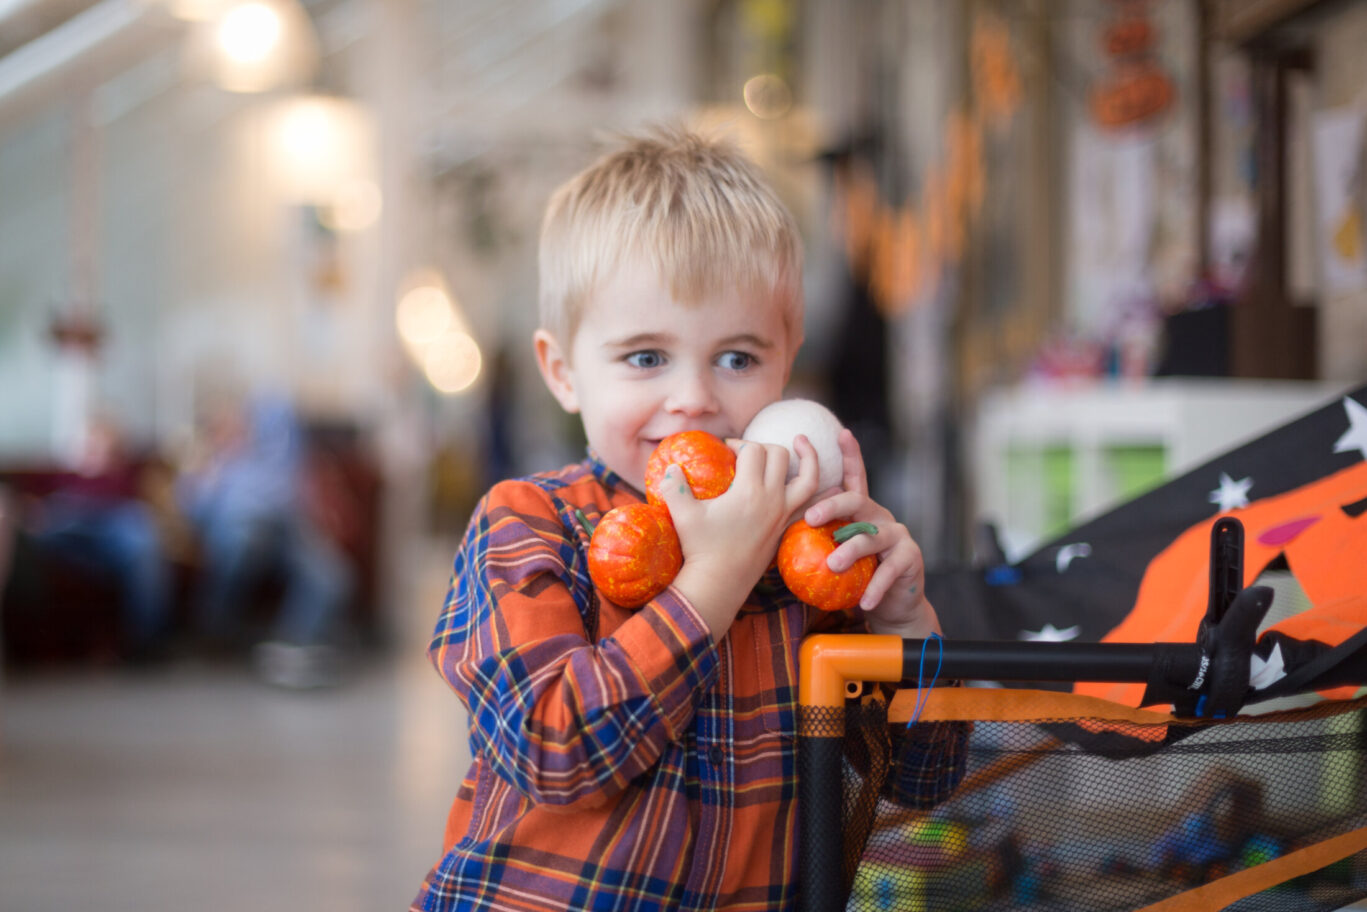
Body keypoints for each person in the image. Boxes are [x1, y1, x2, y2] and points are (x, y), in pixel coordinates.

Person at [411, 126, 964, 911]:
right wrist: (716, 577)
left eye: (737, 358)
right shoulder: (528, 524)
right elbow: (555, 752)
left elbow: (922, 779)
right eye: (645, 358)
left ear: (787, 361)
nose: (695, 398)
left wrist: (902, 625)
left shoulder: (802, 548)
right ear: (563, 372)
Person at [177, 393, 352, 687]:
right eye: (226, 427)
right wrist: (214, 471)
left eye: (241, 424)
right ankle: (214, 630)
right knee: (244, 544)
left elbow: (299, 501)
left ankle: (291, 647)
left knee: (333, 577)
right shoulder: (213, 464)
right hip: (243, 533)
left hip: (288, 529)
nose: (237, 431)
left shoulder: (279, 459)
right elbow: (192, 507)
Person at [22, 415, 171, 662]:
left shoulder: (127, 475)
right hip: (68, 520)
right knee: (40, 529)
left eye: (104, 447)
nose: (96, 453)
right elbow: (32, 506)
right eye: (90, 446)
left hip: (117, 521)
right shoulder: (60, 475)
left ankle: (146, 644)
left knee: (144, 540)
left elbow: (146, 503)